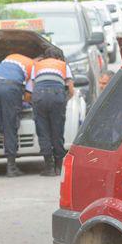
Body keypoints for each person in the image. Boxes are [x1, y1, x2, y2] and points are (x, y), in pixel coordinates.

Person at [0, 53, 34, 179]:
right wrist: (24, 103)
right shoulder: (34, 66)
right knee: (9, 126)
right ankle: (11, 168)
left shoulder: (11, 57)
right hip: (10, 87)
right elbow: (28, 95)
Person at [29, 46, 74, 176]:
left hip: (39, 96)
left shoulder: (36, 65)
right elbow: (70, 89)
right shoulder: (63, 65)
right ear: (59, 57)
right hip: (57, 95)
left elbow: (33, 88)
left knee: (43, 132)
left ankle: (48, 168)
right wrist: (64, 100)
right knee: (57, 131)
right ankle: (59, 167)